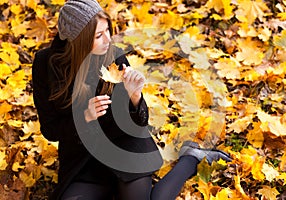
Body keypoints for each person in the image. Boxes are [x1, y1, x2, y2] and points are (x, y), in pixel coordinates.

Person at [32, 0, 231, 199]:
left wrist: (135, 98)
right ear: (77, 40)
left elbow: (138, 124)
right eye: (98, 36)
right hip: (84, 162)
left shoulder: (114, 57)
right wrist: (84, 117)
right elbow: (50, 130)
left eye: (107, 31)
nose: (107, 40)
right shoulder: (45, 64)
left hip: (124, 150)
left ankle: (190, 159)